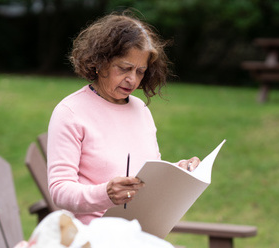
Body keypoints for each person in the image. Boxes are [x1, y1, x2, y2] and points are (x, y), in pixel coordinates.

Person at [47, 11, 200, 225]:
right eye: (124, 68)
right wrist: (105, 194)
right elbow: (60, 190)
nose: (132, 79)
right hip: (93, 235)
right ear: (99, 62)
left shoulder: (141, 109)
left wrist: (179, 170)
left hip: (141, 231)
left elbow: (147, 176)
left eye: (140, 71)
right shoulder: (70, 112)